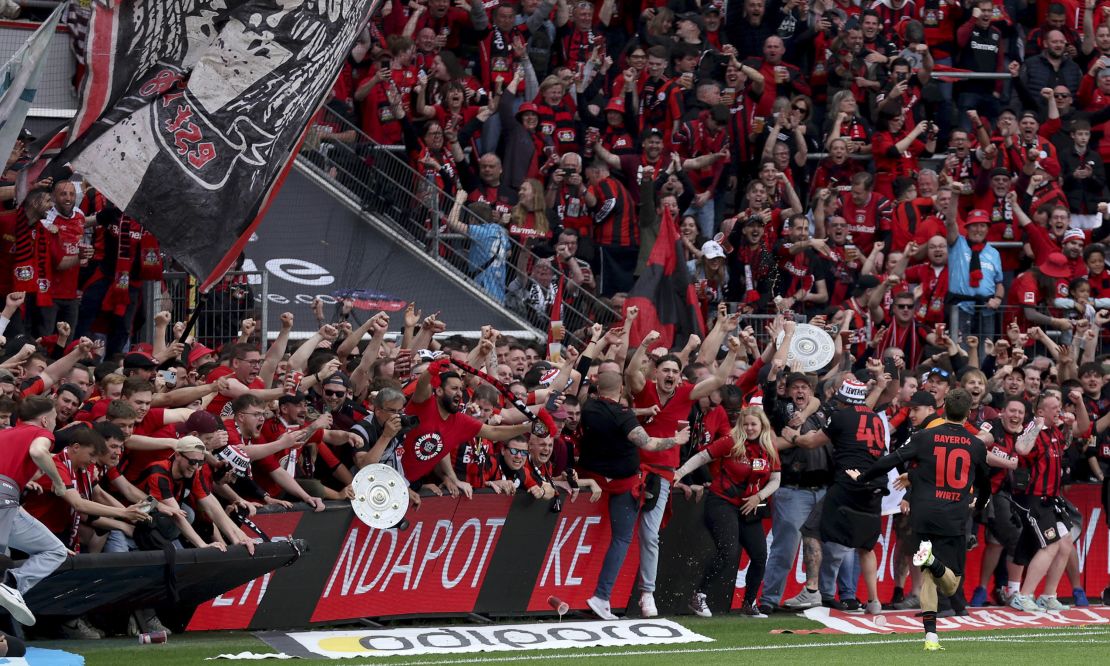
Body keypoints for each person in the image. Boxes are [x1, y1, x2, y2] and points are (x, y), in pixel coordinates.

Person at [848, 388, 991, 651]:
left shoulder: (924, 436)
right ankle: (934, 563)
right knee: (950, 584)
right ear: (969, 413)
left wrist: (864, 477)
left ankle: (931, 637)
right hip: (954, 516)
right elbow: (986, 486)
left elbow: (892, 459)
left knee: (927, 579)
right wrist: (978, 509)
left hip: (923, 514)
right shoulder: (976, 445)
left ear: (943, 409)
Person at [578, 371, 689, 620]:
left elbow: (618, 415)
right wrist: (676, 439)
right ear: (622, 390)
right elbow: (648, 443)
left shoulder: (589, 407)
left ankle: (601, 597)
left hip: (592, 478)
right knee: (622, 539)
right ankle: (601, 597)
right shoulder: (623, 415)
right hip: (622, 484)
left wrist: (641, 412)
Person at [783, 378, 887, 615]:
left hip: (847, 485)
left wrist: (792, 436)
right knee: (865, 547)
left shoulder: (841, 416)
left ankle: (811, 591)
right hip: (874, 487)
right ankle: (874, 601)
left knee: (810, 530)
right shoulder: (874, 417)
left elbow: (811, 442)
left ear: (843, 401)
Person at [676, 406, 780, 618]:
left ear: (762, 426)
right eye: (746, 424)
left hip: (750, 505)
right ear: (740, 425)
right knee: (728, 550)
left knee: (760, 555)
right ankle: (699, 595)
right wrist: (680, 472)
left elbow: (776, 480)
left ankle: (749, 603)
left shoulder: (768, 446)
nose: (750, 428)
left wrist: (759, 497)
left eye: (754, 424)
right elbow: (702, 456)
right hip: (722, 501)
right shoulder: (731, 442)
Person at [0, 396, 69, 626]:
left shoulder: (5, 433)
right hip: (4, 496)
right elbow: (39, 452)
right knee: (55, 551)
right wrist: (59, 483)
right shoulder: (41, 434)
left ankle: (10, 585)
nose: (55, 423)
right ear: (45, 420)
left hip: (9, 502)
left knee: (54, 549)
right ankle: (11, 585)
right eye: (54, 418)